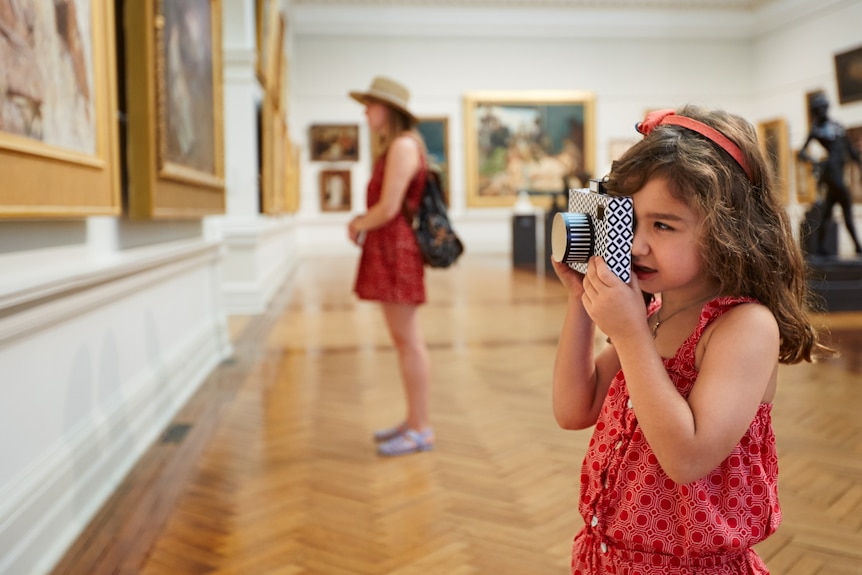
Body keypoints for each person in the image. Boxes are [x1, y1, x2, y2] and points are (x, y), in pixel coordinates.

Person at [551, 105, 833, 574]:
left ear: (727, 231)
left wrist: (629, 333)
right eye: (630, 221)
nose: (637, 244)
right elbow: (572, 409)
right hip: (611, 557)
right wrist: (580, 299)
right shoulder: (658, 313)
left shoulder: (743, 326)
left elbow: (688, 458)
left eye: (663, 225)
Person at [347, 76, 434, 457]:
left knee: (409, 342)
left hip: (395, 249)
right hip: (391, 248)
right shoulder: (400, 145)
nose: (366, 111)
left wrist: (356, 223)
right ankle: (413, 421)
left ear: (389, 110)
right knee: (404, 342)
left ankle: (420, 428)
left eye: (371, 104)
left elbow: (388, 207)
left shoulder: (402, 145)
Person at [798, 92, 862, 255]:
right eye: (818, 109)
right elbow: (801, 153)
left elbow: (851, 150)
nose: (822, 111)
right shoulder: (816, 130)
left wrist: (859, 165)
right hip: (831, 173)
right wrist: (815, 161)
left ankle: (821, 248)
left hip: (837, 172)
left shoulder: (838, 126)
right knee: (845, 206)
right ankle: (857, 246)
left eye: (823, 107)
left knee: (827, 213)